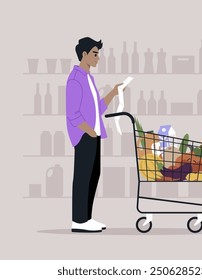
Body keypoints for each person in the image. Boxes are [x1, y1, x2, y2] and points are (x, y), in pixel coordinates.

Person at [66, 37, 123, 232]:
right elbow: (73, 113)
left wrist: (114, 93)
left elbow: (97, 107)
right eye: (95, 54)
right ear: (84, 54)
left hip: (94, 134)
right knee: (82, 177)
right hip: (84, 135)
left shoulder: (89, 78)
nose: (98, 58)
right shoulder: (75, 79)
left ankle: (86, 218)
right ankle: (78, 221)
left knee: (93, 175)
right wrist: (89, 131)